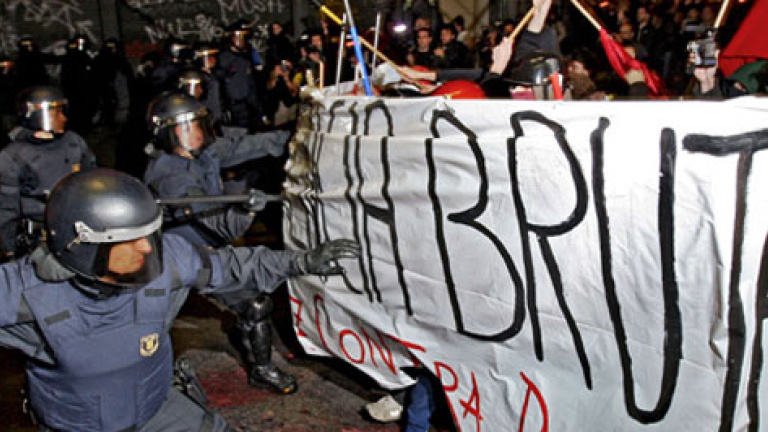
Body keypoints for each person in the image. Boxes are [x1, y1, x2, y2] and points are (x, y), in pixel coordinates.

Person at [0, 167, 360, 431]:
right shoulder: (24, 293)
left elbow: (233, 265)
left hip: (156, 410)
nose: (146, 248)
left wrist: (300, 262)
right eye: (129, 240)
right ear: (84, 248)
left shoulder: (168, 261)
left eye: (148, 234)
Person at [142, 91, 297, 393]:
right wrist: (245, 210)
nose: (196, 134)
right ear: (166, 134)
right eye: (186, 129)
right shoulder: (169, 176)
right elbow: (219, 225)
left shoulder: (201, 154)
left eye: (198, 126)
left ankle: (262, 369)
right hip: (175, 260)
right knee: (149, 328)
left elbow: (244, 146)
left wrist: (294, 137)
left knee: (255, 304)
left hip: (209, 249)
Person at [0, 86, 97, 259]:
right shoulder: (13, 156)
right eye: (55, 113)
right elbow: (7, 207)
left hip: (77, 229)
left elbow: (93, 180)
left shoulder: (73, 142)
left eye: (62, 112)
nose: (63, 118)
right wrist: (8, 247)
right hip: (39, 240)